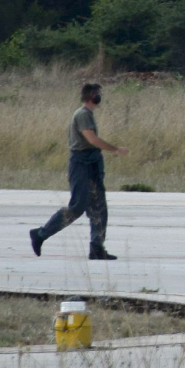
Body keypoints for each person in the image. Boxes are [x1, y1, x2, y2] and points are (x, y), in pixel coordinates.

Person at [30, 82, 124, 260]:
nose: (100, 97)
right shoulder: (82, 115)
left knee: (98, 207)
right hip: (82, 163)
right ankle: (40, 234)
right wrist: (115, 149)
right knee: (77, 207)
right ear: (92, 96)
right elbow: (92, 139)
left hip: (92, 163)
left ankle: (97, 247)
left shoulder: (88, 114)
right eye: (98, 94)